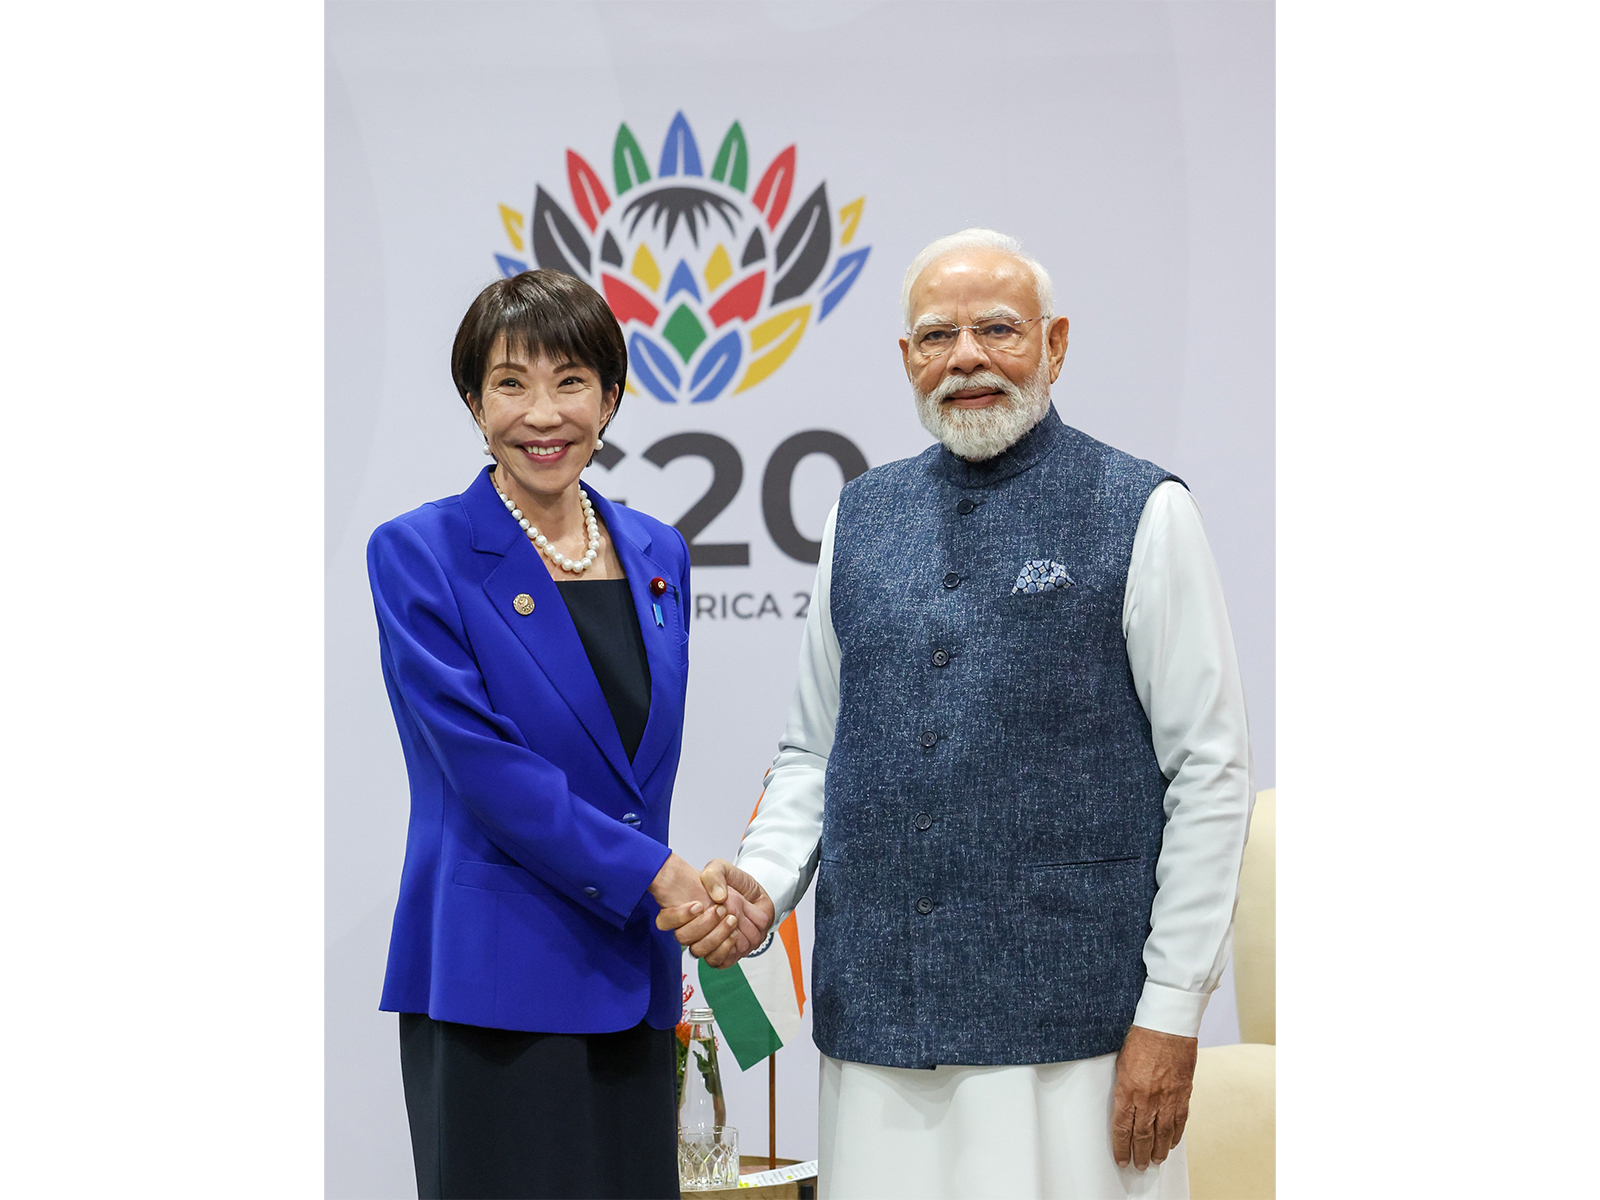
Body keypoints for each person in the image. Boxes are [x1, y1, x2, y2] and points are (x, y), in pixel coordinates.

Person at [661, 230, 1255, 1199]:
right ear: (907, 361)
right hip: (880, 1026)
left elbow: (1210, 774)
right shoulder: (861, 516)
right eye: (938, 336)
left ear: (1056, 346)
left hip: (1078, 1029)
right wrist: (762, 888)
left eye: (999, 330)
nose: (967, 357)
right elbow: (813, 748)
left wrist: (1173, 1013)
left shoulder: (1143, 510)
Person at [366, 269, 763, 1200]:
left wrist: (685, 884)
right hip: (496, 981)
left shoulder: (658, 550)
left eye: (571, 381)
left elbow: (628, 771)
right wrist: (656, 874)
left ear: (612, 398)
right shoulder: (419, 551)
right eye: (511, 384)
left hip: (630, 971)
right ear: (473, 403)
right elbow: (486, 770)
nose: (543, 413)